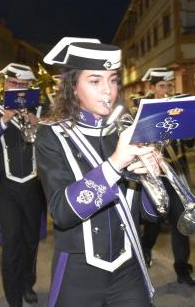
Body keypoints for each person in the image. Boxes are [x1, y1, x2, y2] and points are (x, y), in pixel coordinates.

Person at [37, 37, 160, 307]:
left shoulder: (128, 131)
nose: (108, 90)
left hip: (129, 267)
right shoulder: (51, 134)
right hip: (78, 270)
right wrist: (115, 163)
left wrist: (153, 175)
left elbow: (151, 214)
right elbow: (61, 212)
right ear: (72, 87)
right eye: (95, 81)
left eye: (113, 79)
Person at [0, 63, 44, 307]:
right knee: (12, 240)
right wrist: (4, 121)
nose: (17, 88)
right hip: (7, 187)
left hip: (34, 187)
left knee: (31, 240)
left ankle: (28, 283)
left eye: (23, 85)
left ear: (29, 88)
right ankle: (13, 296)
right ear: (5, 84)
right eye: (13, 84)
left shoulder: (40, 111)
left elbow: (56, 143)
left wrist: (40, 124)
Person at [139, 67, 195, 286]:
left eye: (169, 86)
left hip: (176, 171)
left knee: (180, 222)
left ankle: (183, 270)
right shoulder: (142, 109)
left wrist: (190, 126)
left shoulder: (178, 108)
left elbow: (190, 144)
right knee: (154, 221)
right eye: (162, 86)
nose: (166, 90)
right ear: (152, 87)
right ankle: (146, 247)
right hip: (154, 174)